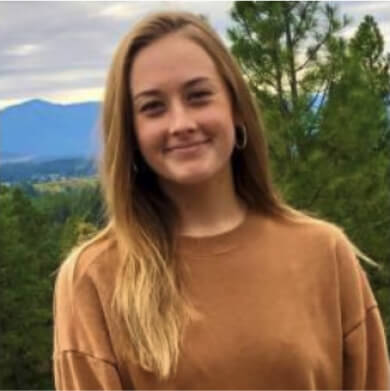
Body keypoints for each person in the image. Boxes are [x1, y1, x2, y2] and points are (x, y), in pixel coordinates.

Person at [52, 10, 390, 390]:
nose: (181, 123)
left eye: (198, 96)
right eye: (153, 107)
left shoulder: (324, 253)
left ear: (237, 109)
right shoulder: (94, 279)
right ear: (130, 132)